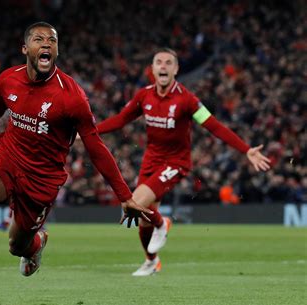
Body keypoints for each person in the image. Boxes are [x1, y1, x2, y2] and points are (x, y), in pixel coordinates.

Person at [0, 22, 150, 305]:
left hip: (42, 177)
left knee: (16, 246)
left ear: (56, 50)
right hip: (8, 154)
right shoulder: (8, 79)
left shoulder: (72, 97)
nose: (46, 44)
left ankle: (35, 245)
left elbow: (96, 147)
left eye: (52, 40)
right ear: (25, 49)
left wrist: (125, 196)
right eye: (38, 39)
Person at [97, 48, 271, 276]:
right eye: (159, 62)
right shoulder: (144, 96)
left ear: (176, 69)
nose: (163, 66)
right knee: (142, 220)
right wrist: (90, 132)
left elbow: (214, 126)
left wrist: (246, 150)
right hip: (151, 160)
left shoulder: (187, 100)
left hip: (175, 162)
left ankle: (162, 224)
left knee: (134, 202)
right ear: (152, 68)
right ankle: (151, 260)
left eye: (169, 63)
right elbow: (120, 120)